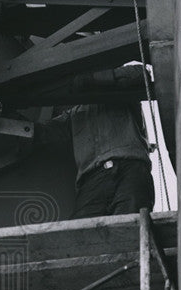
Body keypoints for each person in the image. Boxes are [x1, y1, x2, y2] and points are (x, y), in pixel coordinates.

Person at [37, 65, 155, 219]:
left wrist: (93, 79)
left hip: (130, 169)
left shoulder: (123, 94)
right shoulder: (74, 114)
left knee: (130, 227)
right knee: (81, 233)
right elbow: (42, 132)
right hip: (93, 180)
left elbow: (141, 74)